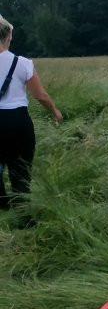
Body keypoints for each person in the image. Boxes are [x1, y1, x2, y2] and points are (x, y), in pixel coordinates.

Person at [0, 14, 62, 210]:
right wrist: (55, 111)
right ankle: (24, 217)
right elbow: (41, 95)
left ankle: (3, 209)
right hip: (18, 122)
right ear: (8, 35)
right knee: (20, 173)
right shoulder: (23, 63)